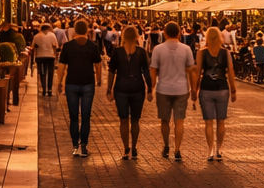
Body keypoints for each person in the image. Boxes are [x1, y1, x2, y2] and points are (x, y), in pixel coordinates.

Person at [150, 22, 195, 161]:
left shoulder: (158, 49)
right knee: (179, 121)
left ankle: (166, 145)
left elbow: (153, 69)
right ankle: (177, 149)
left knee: (164, 120)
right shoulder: (186, 49)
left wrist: (151, 87)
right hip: (181, 89)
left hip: (163, 88)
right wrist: (194, 88)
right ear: (179, 33)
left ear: (164, 33)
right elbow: (191, 70)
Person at [60, 20, 104, 158]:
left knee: (73, 117)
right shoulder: (93, 46)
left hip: (71, 83)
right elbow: (98, 64)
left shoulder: (67, 46)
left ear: (74, 31)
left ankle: (75, 145)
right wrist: (98, 79)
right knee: (86, 116)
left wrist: (59, 82)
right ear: (87, 30)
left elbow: (61, 65)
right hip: (88, 84)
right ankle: (83, 145)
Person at [192, 26, 236, 161]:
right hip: (222, 88)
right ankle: (219, 149)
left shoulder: (201, 52)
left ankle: (210, 150)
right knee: (221, 121)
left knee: (208, 122)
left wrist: (194, 89)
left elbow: (198, 71)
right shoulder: (226, 52)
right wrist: (233, 90)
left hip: (206, 89)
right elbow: (231, 72)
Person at [108, 26, 152, 159]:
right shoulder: (141, 52)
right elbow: (145, 71)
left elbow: (111, 71)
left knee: (123, 120)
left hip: (121, 88)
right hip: (138, 88)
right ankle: (134, 147)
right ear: (136, 36)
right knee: (135, 120)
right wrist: (150, 88)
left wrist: (109, 89)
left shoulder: (117, 51)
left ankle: (126, 148)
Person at [30, 22, 60, 97]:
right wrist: (56, 56)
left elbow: (33, 47)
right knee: (50, 73)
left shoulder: (36, 36)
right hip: (50, 56)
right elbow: (56, 46)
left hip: (40, 57)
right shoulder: (52, 35)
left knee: (42, 73)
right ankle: (49, 89)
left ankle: (43, 89)